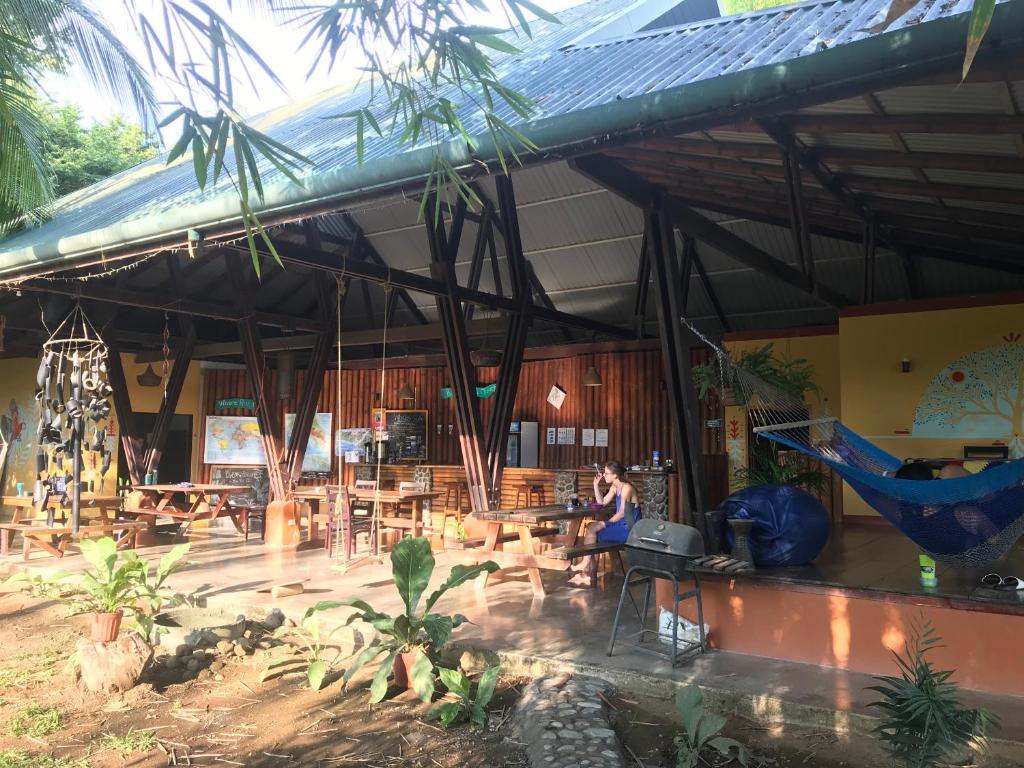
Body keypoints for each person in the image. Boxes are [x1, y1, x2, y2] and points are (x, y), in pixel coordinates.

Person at [569, 461, 640, 588]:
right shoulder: (614, 487)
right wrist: (595, 485)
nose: (604, 475)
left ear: (615, 475)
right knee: (591, 528)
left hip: (629, 528)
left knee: (593, 533)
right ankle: (587, 569)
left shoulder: (627, 488)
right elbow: (601, 503)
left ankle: (588, 570)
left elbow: (623, 513)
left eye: (606, 473)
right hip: (620, 524)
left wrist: (607, 523)